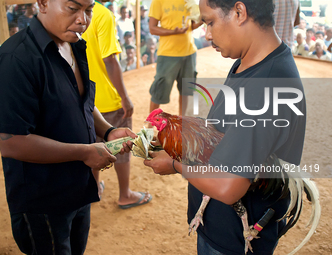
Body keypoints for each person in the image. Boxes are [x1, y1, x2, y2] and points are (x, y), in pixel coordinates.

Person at [144, 0, 306, 254]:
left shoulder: (265, 87)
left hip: (234, 242)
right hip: (220, 226)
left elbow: (228, 187)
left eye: (210, 22)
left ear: (239, 12)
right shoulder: (250, 62)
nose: (206, 34)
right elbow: (222, 134)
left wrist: (175, 165)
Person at [0, 0, 136, 253]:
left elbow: (83, 103)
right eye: (73, 8)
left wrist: (108, 131)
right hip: (44, 201)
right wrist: (85, 152)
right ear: (43, 3)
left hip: (79, 189)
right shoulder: (14, 59)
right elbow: (12, 143)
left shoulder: (73, 45)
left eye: (88, 9)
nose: (84, 19)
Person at [82, 1, 151, 207]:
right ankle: (125, 194)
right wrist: (124, 96)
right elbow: (110, 60)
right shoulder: (102, 14)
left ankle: (94, 189)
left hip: (85, 97)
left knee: (92, 143)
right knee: (122, 145)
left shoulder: (74, 11)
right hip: (106, 98)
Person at [148, 0, 203, 116]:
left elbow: (190, 26)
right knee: (159, 91)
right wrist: (173, 32)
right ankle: (150, 127)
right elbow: (152, 28)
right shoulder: (158, 1)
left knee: (186, 90)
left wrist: (203, 19)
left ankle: (182, 123)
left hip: (189, 52)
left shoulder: (189, 1)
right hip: (168, 54)